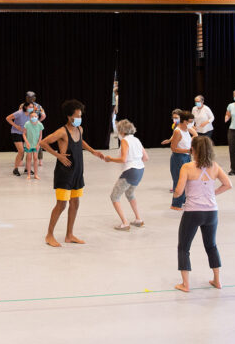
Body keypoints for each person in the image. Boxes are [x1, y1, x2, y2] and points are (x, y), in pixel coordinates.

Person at [40, 99, 106, 247]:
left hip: (77, 172)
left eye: (80, 115)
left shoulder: (79, 129)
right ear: (69, 116)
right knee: (61, 205)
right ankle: (49, 235)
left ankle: (69, 235)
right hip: (64, 173)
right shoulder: (62, 131)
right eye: (77, 115)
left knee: (75, 203)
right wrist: (58, 156)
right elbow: (43, 142)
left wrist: (93, 151)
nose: (79, 118)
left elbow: (81, 142)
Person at [173, 135, 232, 292]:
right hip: (211, 212)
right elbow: (228, 184)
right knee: (211, 245)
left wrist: (176, 195)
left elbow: (178, 191)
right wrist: (212, 193)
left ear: (193, 150)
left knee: (184, 247)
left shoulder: (187, 167)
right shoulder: (215, 166)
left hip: (193, 212)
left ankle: (185, 284)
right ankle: (217, 280)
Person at [104, 119, 149, 230]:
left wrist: (110, 159)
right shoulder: (136, 140)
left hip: (130, 171)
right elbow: (146, 158)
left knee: (114, 196)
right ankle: (138, 219)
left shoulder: (125, 141)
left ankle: (125, 223)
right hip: (140, 170)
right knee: (130, 193)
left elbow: (123, 159)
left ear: (122, 131)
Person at [169, 111, 195, 210]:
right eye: (190, 121)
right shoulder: (178, 131)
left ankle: (184, 200)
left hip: (186, 157)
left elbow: (194, 136)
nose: (191, 123)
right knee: (179, 181)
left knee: (187, 180)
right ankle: (176, 204)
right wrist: (188, 150)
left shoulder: (186, 130)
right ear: (184, 121)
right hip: (178, 158)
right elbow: (173, 148)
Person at [6, 100, 32, 176]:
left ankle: (27, 168)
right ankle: (15, 169)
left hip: (25, 133)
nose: (31, 108)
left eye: (32, 107)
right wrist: (16, 126)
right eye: (30, 107)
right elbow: (8, 118)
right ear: (26, 107)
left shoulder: (30, 114)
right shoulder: (19, 113)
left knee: (29, 151)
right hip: (16, 133)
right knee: (21, 151)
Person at [24, 91, 48, 166]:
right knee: (30, 142)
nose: (30, 99)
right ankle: (39, 160)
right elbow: (44, 116)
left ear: (34, 98)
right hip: (27, 126)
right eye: (29, 97)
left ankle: (38, 159)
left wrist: (37, 122)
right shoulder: (38, 106)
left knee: (34, 142)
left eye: (31, 98)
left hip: (31, 126)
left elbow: (44, 116)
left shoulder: (24, 105)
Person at [23, 108, 44, 180]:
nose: (34, 118)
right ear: (30, 117)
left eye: (35, 116)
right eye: (32, 116)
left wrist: (38, 144)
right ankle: (28, 174)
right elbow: (24, 134)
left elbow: (41, 135)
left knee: (35, 159)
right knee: (28, 159)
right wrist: (27, 142)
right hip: (28, 145)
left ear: (37, 117)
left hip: (36, 145)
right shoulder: (27, 124)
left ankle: (36, 174)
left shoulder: (40, 124)